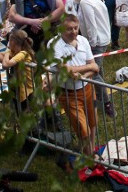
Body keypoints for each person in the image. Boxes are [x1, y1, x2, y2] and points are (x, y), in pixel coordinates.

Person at [50, 14, 100, 154]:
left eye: (75, 28)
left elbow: (94, 66)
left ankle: (90, 151)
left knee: (92, 122)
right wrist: (88, 69)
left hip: (87, 88)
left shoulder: (83, 41)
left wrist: (82, 76)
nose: (73, 32)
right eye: (69, 29)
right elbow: (65, 69)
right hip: (68, 93)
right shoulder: (54, 44)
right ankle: (90, 155)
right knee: (82, 127)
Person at [72, 0, 113, 116]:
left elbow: (91, 25)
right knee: (99, 70)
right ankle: (102, 99)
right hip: (103, 38)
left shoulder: (85, 1)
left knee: (94, 72)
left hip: (96, 41)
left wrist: (92, 43)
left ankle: (107, 103)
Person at [0, 29, 36, 113]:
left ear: (13, 42)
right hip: (17, 85)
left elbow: (5, 65)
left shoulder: (23, 53)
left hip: (25, 87)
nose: (8, 42)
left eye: (9, 40)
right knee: (16, 107)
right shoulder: (13, 52)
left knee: (25, 110)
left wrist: (6, 55)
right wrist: (8, 58)